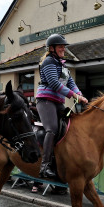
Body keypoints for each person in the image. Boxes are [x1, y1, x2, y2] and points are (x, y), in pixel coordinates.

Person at [35, 34, 88, 179]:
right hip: (46, 100)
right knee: (51, 129)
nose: (63, 49)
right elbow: (54, 84)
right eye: (60, 47)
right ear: (51, 48)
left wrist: (80, 95)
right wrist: (74, 96)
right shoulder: (48, 62)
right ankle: (45, 165)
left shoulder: (62, 65)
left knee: (71, 128)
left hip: (58, 102)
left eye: (64, 47)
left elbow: (70, 83)